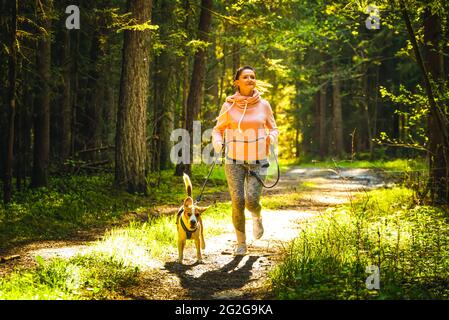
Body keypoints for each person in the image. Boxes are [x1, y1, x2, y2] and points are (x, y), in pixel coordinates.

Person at [212, 65, 279, 255]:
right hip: (234, 160)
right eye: (245, 77)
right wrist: (218, 142)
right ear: (237, 82)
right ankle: (241, 244)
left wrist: (271, 137)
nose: (250, 79)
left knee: (251, 201)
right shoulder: (229, 105)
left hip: (258, 160)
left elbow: (273, 128)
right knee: (238, 201)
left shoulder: (264, 105)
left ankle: (257, 217)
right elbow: (218, 129)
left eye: (253, 76)